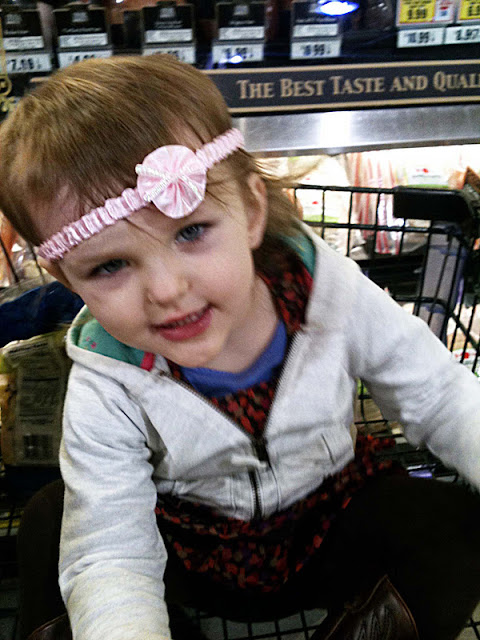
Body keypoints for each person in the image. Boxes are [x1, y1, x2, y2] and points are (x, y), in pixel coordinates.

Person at [0, 55, 479, 640]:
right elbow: (114, 552)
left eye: (191, 231)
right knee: (57, 524)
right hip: (185, 549)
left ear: (252, 210)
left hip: (331, 522)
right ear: (66, 278)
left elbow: (439, 394)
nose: (166, 290)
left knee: (451, 525)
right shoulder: (106, 378)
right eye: (110, 266)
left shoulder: (325, 292)